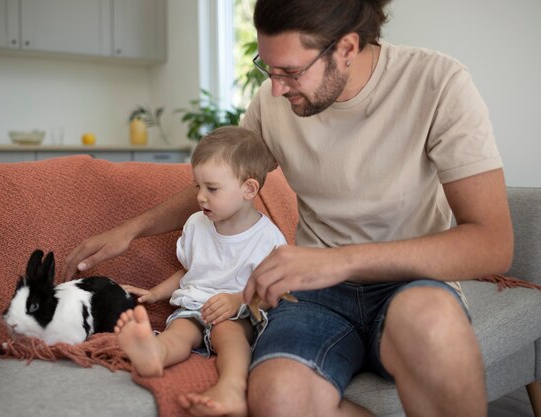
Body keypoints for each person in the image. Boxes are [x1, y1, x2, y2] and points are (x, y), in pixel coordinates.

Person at [64, 1, 514, 416]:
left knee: (433, 328)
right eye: (266, 67)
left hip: (411, 284)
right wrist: (133, 228)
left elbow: (492, 244)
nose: (275, 88)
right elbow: (226, 183)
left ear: (346, 48)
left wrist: (335, 262)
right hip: (313, 297)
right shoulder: (273, 103)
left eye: (290, 71)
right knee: (277, 398)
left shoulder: (436, 83)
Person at [113, 126, 286, 417]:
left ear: (249, 189)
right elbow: (190, 271)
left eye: (212, 188)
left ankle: (232, 387)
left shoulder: (268, 238)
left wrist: (237, 300)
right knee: (179, 332)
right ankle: (154, 354)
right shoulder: (196, 224)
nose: (201, 197)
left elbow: (274, 293)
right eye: (198, 187)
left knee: (229, 335)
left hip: (238, 313)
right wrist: (155, 293)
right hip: (195, 306)